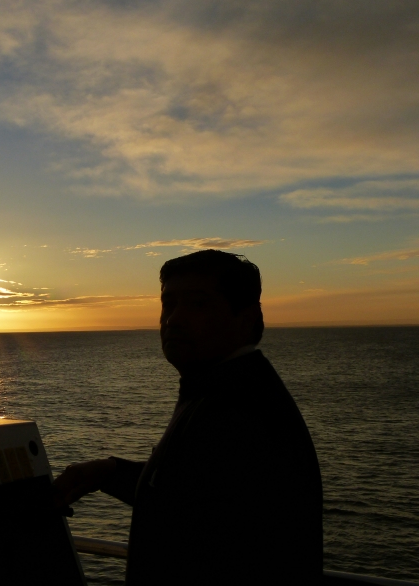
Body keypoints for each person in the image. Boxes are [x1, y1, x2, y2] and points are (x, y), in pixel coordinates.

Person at [54, 250, 323, 585]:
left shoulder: (239, 410)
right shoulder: (223, 390)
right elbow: (190, 495)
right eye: (169, 303)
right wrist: (110, 472)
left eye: (198, 304)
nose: (174, 319)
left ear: (247, 318)